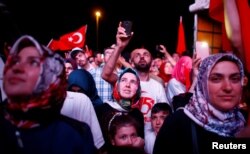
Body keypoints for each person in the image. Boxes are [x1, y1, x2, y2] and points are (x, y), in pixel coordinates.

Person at [0, 35, 96, 153]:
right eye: (15, 60)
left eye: (33, 62)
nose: (17, 68)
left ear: (50, 75)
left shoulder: (75, 134)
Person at [153, 53, 249, 154]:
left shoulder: (244, 121)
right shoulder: (178, 124)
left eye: (235, 79)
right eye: (216, 79)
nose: (228, 87)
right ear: (202, 83)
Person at [101, 22, 168, 130]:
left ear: (151, 61)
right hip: (130, 136)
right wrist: (119, 47)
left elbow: (165, 112)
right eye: (137, 55)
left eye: (146, 55)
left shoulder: (157, 86)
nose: (142, 57)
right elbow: (105, 75)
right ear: (131, 62)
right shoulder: (124, 81)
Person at [96, 68, 144, 152]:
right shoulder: (103, 109)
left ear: (138, 89)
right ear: (117, 86)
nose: (127, 85)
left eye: (132, 82)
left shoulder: (137, 114)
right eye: (123, 80)